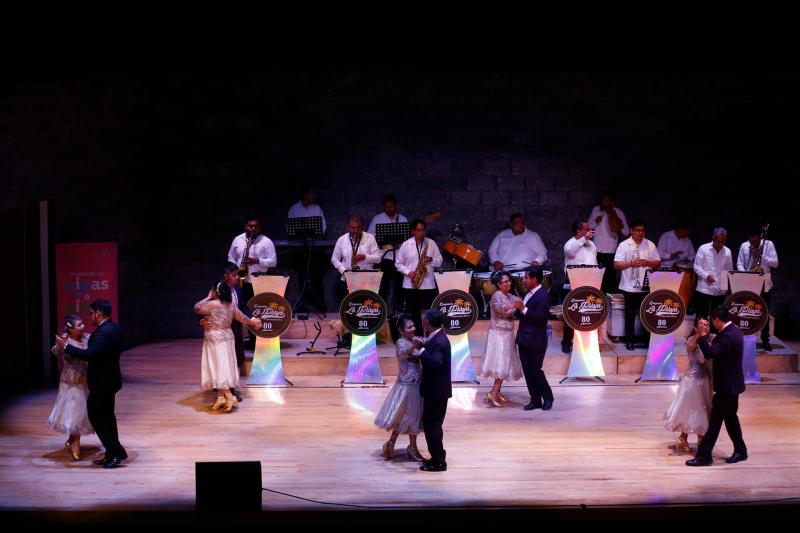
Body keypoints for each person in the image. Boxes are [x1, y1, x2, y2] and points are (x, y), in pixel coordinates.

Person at [54, 299, 126, 469]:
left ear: (98, 313)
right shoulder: (113, 328)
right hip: (109, 381)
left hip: (102, 383)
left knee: (97, 418)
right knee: (108, 418)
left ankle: (116, 453)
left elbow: (91, 355)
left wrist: (67, 347)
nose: (90, 317)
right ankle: (112, 452)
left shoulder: (102, 332)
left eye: (92, 313)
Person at [686, 306, 748, 466]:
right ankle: (741, 451)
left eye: (713, 321)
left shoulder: (727, 336)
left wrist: (702, 336)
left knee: (715, 422)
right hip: (732, 385)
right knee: (731, 419)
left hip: (727, 387)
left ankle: (704, 456)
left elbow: (709, 353)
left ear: (718, 320)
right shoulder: (734, 331)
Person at [193, 282, 261, 413]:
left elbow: (196, 308)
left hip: (215, 340)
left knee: (217, 367)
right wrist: (253, 322)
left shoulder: (212, 305)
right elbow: (243, 318)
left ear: (216, 292)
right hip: (227, 338)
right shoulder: (231, 306)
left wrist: (208, 297)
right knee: (223, 366)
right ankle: (221, 397)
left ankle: (229, 397)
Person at [374, 314, 425, 461]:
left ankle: (392, 444)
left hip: (416, 384)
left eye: (414, 326)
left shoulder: (413, 340)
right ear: (401, 330)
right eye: (409, 327)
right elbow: (406, 355)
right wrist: (416, 346)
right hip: (407, 386)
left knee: (409, 416)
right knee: (405, 416)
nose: (413, 329)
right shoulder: (401, 343)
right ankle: (411, 448)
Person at [227, 214, 277, 350]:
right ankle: (238, 340)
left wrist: (257, 261)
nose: (253, 228)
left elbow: (273, 261)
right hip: (240, 279)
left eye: (256, 226)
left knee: (255, 310)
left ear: (260, 227)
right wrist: (235, 269)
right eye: (250, 226)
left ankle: (255, 340)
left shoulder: (266, 242)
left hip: (257, 281)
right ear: (245, 226)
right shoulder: (238, 239)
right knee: (239, 308)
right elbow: (231, 257)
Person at [48, 315, 94, 461]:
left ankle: (72, 439)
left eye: (82, 324)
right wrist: (60, 343)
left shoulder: (87, 338)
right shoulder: (66, 341)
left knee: (80, 411)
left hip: (84, 380)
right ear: (71, 328)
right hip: (70, 382)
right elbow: (55, 351)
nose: (83, 327)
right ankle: (76, 442)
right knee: (74, 410)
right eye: (79, 325)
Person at [664, 316, 713, 452]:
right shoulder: (692, 341)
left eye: (707, 324)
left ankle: (687, 438)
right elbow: (703, 358)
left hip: (706, 382)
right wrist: (701, 336)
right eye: (701, 324)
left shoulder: (711, 339)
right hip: (693, 382)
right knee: (693, 410)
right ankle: (695, 439)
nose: (704, 326)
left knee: (703, 410)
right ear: (696, 327)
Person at [477, 271, 523, 407]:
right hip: (498, 335)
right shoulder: (496, 296)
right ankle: (492, 392)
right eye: (505, 282)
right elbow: (501, 310)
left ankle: (497, 392)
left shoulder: (508, 295)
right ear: (498, 284)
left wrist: (517, 304)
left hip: (507, 334)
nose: (509, 283)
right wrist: (516, 306)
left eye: (509, 281)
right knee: (501, 364)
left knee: (505, 364)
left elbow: (519, 302)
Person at [613, 221, 661, 350]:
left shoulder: (650, 244)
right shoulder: (624, 245)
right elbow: (616, 264)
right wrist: (631, 263)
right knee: (630, 314)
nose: (641, 233)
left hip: (646, 286)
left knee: (646, 314)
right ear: (631, 230)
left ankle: (646, 340)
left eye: (642, 230)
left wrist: (648, 262)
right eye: (638, 230)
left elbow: (658, 263)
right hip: (628, 286)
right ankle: (630, 340)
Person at [414, 309, 452, 472]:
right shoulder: (436, 337)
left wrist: (421, 351)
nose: (422, 322)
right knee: (432, 425)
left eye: (424, 319)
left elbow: (436, 363)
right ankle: (436, 456)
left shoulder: (440, 341)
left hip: (436, 391)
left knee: (432, 426)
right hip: (436, 390)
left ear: (428, 322)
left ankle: (438, 461)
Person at [514, 266, 554, 411]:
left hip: (537, 341)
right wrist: (517, 309)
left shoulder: (543, 295)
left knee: (535, 370)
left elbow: (539, 317)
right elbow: (523, 314)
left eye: (526, 278)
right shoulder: (528, 293)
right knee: (528, 372)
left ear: (534, 279)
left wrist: (523, 308)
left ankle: (548, 397)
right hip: (524, 338)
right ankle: (535, 400)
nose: (523, 280)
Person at [395, 219, 443, 336]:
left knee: (431, 314)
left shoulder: (431, 243)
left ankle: (431, 337)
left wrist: (431, 260)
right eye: (418, 230)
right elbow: (398, 264)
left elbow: (440, 261)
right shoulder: (406, 245)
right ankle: (419, 338)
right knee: (414, 314)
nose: (421, 233)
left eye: (423, 230)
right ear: (413, 231)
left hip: (428, 284)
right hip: (411, 285)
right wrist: (408, 272)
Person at [736, 227, 779, 350]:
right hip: (748, 283)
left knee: (764, 312)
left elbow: (775, 263)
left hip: (764, 284)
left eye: (755, 242)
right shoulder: (744, 246)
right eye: (751, 242)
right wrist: (745, 275)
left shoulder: (769, 245)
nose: (752, 245)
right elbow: (739, 263)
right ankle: (743, 338)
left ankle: (765, 340)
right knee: (745, 312)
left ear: (760, 239)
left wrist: (762, 256)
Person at [288, 184, 328, 314]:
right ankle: (303, 305)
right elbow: (289, 229)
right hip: (300, 249)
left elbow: (323, 227)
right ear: (305, 194)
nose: (314, 196)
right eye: (312, 193)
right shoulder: (294, 209)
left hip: (314, 249)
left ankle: (319, 305)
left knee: (316, 277)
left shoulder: (317, 208)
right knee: (302, 276)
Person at [561, 220, 598, 353]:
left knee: (589, 314)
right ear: (579, 231)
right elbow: (571, 253)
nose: (590, 231)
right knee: (570, 315)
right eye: (586, 229)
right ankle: (566, 342)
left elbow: (593, 261)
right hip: (573, 285)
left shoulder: (592, 244)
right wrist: (583, 239)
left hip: (589, 284)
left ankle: (587, 344)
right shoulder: (570, 243)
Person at [368, 195, 408, 314]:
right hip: (384, 256)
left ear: (395, 206)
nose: (389, 209)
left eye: (391, 206)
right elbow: (370, 235)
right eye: (387, 207)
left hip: (399, 256)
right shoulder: (377, 218)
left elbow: (407, 239)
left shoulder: (403, 219)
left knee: (399, 284)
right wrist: (378, 241)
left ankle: (400, 308)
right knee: (383, 284)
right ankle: (381, 308)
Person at [588, 190, 629, 293]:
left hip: (611, 250)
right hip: (596, 249)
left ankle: (610, 301)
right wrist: (595, 222)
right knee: (596, 276)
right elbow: (589, 226)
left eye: (606, 200)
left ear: (612, 202)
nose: (604, 202)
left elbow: (626, 231)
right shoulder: (596, 209)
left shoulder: (618, 212)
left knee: (610, 278)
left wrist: (621, 225)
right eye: (603, 200)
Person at [693, 228, 733, 324]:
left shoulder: (727, 252)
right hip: (704, 288)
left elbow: (729, 271)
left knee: (717, 318)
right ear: (713, 239)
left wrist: (726, 286)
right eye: (719, 241)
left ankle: (714, 337)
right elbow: (696, 266)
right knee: (701, 316)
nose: (721, 244)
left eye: (723, 242)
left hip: (719, 290)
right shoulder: (703, 248)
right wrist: (706, 276)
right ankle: (699, 337)